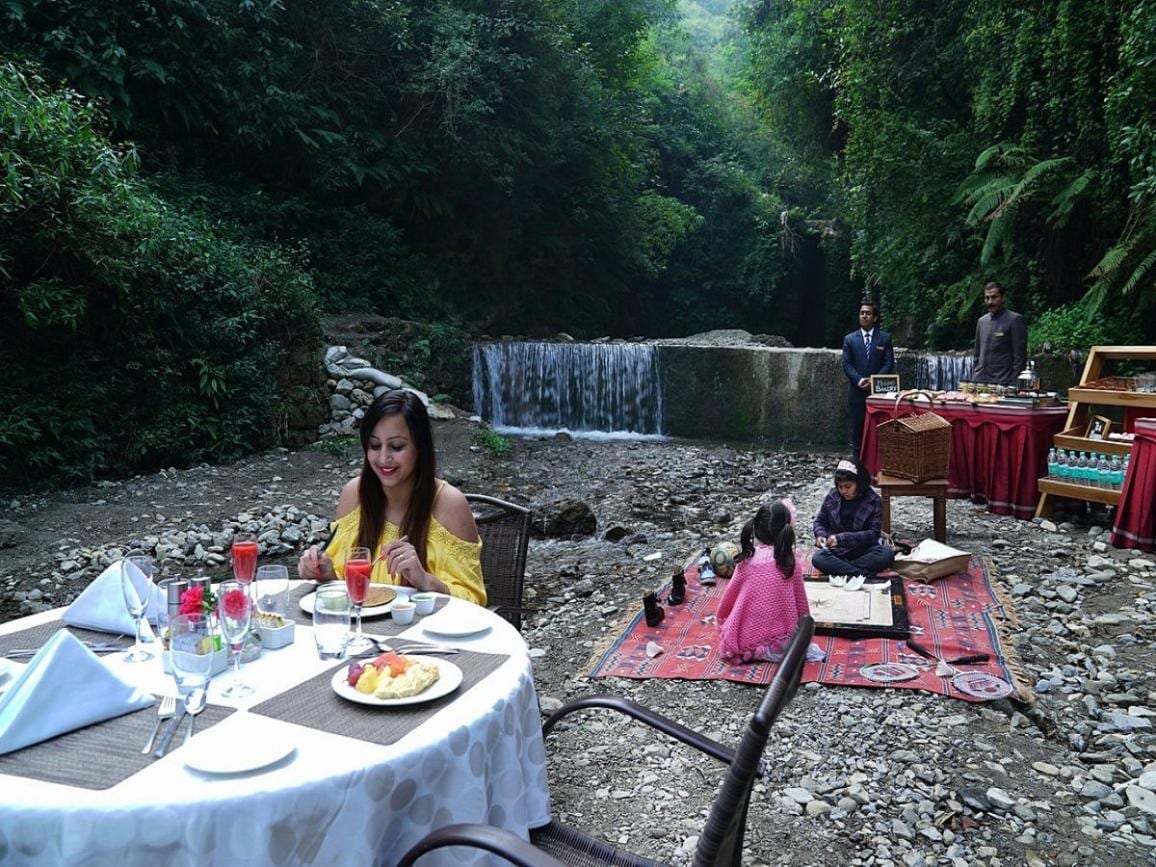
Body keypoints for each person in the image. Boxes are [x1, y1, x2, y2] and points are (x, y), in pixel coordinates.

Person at [297, 389, 486, 605]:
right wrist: (325, 574)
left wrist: (425, 581)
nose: (384, 458)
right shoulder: (354, 494)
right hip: (362, 634)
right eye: (375, 446)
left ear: (420, 447)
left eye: (396, 447)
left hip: (428, 636)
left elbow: (476, 604)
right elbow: (347, 592)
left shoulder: (450, 504)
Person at [716, 501, 825, 663]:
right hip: (783, 645)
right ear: (786, 531)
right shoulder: (789, 562)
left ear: (756, 529)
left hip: (748, 644)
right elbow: (802, 608)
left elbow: (728, 603)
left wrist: (725, 621)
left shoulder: (746, 561)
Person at [811, 457, 894, 580]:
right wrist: (821, 535)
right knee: (818, 558)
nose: (843, 491)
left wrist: (841, 539)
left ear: (859, 483)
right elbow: (819, 521)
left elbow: (873, 534)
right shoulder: (833, 495)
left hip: (863, 549)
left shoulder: (873, 500)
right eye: (840, 486)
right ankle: (860, 574)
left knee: (886, 554)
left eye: (848, 486)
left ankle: (844, 571)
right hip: (837, 551)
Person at [842, 299, 895, 457]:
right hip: (857, 393)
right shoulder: (849, 339)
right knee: (857, 432)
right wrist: (860, 380)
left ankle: (878, 466)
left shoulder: (884, 338)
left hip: (879, 393)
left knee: (880, 430)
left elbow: (888, 362)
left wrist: (875, 380)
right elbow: (847, 365)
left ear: (875, 318)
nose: (864, 316)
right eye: (862, 313)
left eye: (868, 313)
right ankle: (857, 468)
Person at [971, 280, 1026, 386]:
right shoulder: (982, 322)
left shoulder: (1014, 320)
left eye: (994, 297)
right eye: (987, 298)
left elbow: (1019, 358)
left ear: (1003, 298)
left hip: (1003, 383)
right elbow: (977, 355)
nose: (990, 302)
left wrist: (1014, 385)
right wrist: (975, 376)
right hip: (980, 382)